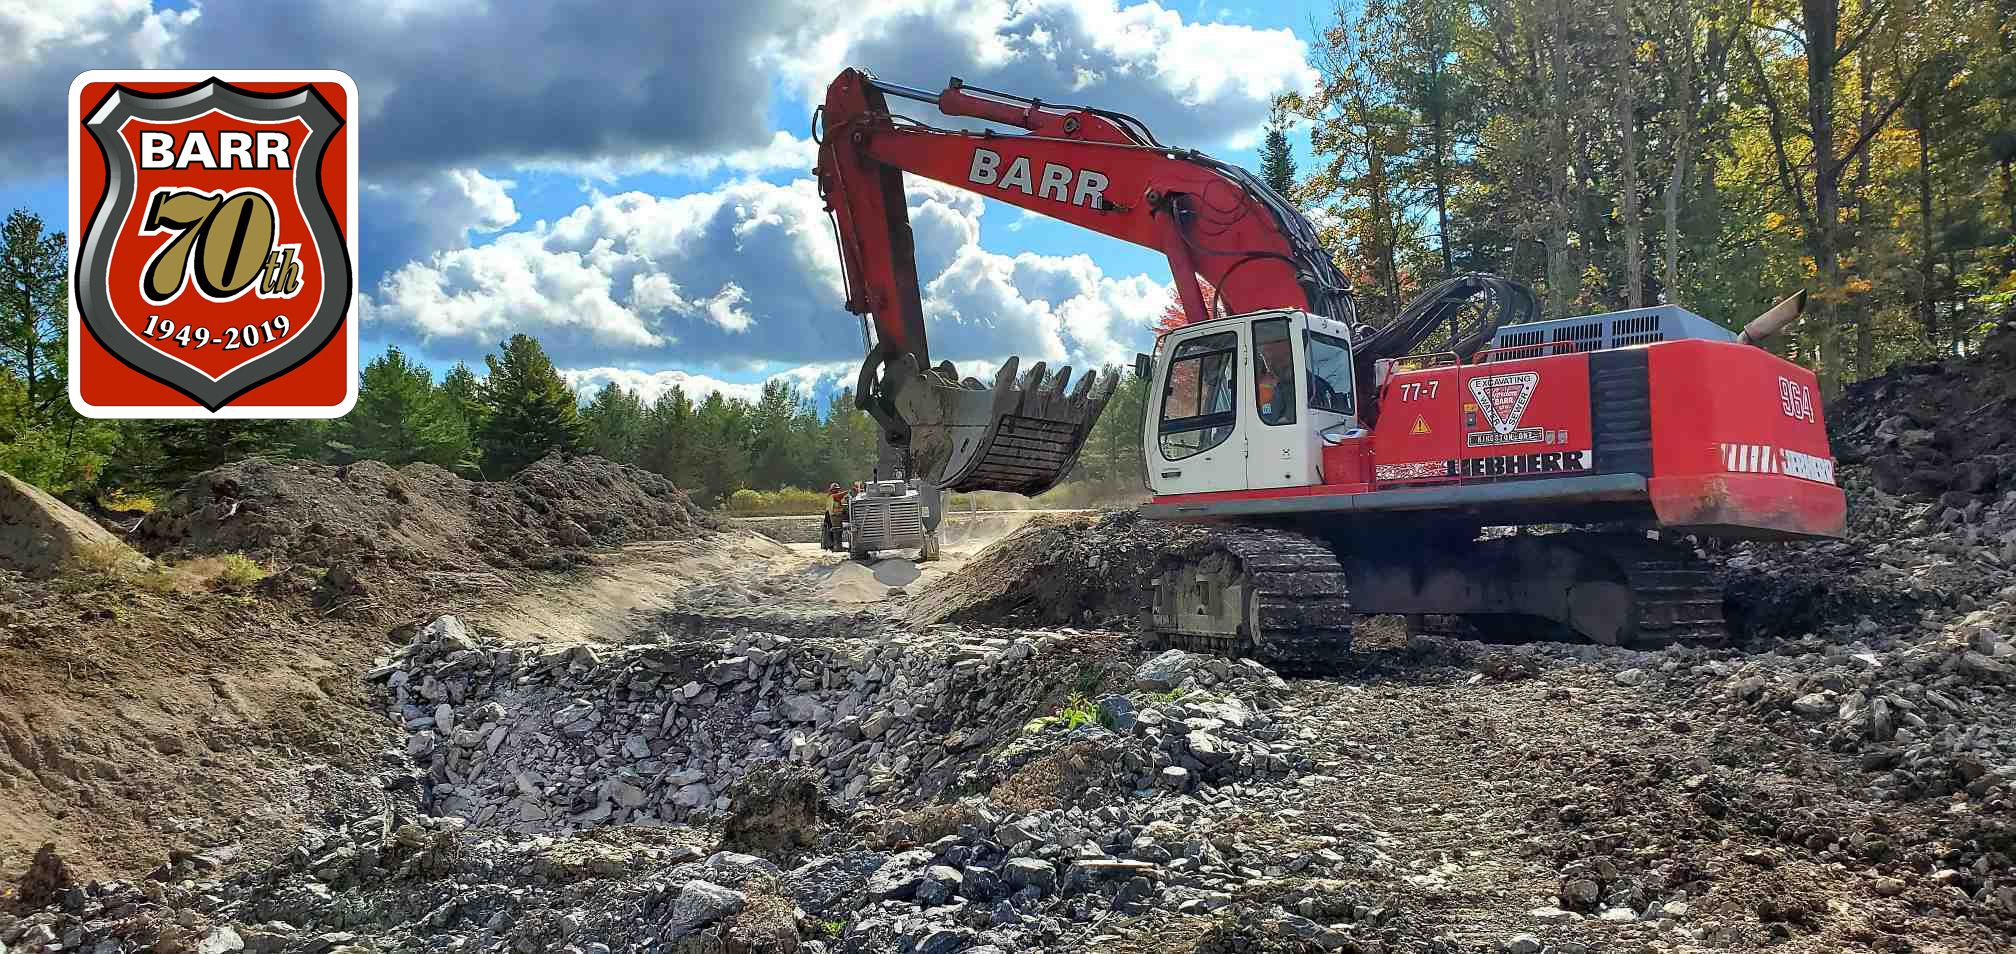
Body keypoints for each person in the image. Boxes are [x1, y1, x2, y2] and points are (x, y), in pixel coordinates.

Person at [1256, 338, 1295, 425]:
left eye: (1281, 358)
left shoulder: (1290, 388)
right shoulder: (1255, 391)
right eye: (1267, 358)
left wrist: (1286, 418)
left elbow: (1289, 417)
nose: (1270, 363)